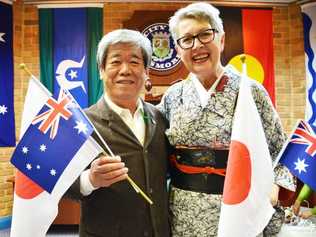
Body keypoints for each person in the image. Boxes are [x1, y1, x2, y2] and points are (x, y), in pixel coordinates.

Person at [157, 2, 296, 236]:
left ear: (221, 40)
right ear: (179, 50)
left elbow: (281, 151)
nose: (197, 45)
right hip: (183, 214)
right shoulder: (173, 97)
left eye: (205, 34)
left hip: (238, 212)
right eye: (187, 40)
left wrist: (274, 188)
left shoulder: (251, 91)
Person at [66, 29, 170, 237]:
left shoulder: (160, 118)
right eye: (115, 62)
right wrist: (90, 180)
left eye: (134, 62)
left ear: (146, 70)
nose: (125, 70)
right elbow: (60, 184)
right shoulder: (79, 123)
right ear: (101, 70)